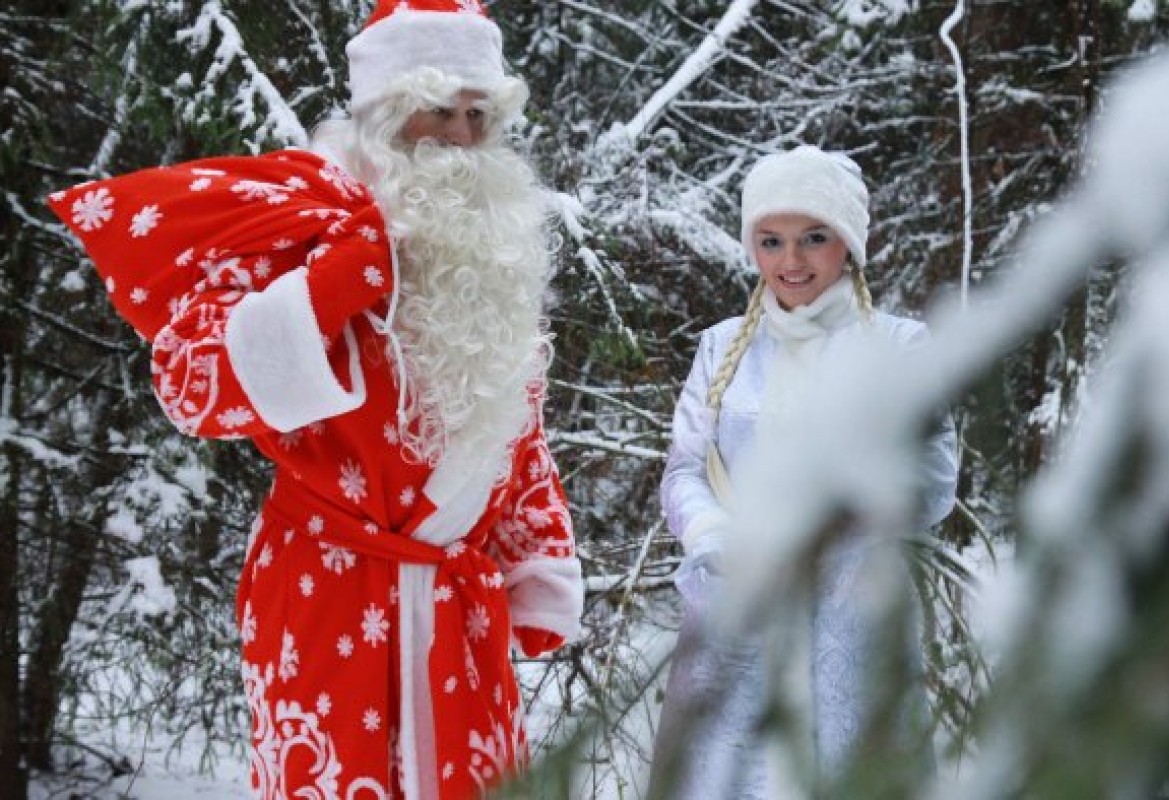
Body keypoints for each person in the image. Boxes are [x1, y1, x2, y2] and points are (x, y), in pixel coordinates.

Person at [46, 1, 583, 798]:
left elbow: (518, 432)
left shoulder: (493, 259)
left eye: (478, 114)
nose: (464, 136)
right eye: (440, 109)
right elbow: (194, 389)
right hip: (326, 594)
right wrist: (325, 289)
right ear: (386, 113)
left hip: (459, 610)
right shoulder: (303, 226)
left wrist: (537, 560)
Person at [650, 145, 959, 797]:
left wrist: (832, 529)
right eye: (772, 240)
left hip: (852, 610)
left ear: (848, 242)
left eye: (813, 238)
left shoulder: (899, 347)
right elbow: (683, 472)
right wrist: (714, 538)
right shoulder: (720, 347)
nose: (790, 261)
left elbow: (931, 481)